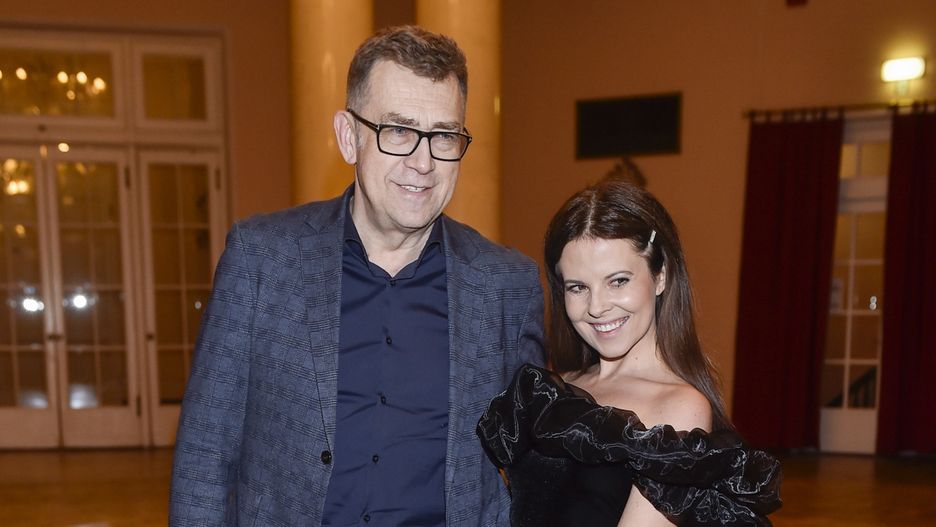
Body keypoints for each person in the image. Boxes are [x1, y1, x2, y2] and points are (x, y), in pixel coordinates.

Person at [170, 26, 545, 526]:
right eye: (399, 131)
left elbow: (536, 470)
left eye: (443, 135)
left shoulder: (506, 287)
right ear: (349, 137)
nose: (423, 162)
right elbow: (204, 453)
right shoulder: (262, 260)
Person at [478, 179, 781, 526]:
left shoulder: (679, 406)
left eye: (618, 281)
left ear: (660, 276)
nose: (596, 307)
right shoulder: (556, 388)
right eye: (578, 287)